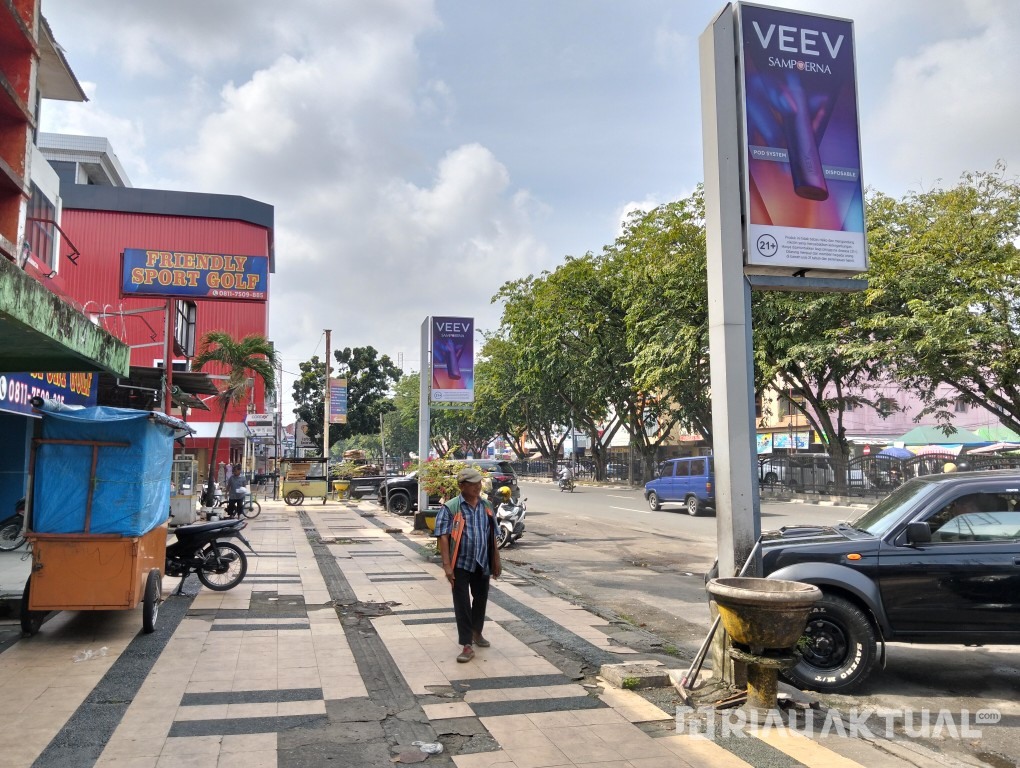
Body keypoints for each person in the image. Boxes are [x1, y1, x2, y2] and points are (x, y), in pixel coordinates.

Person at [434, 466, 501, 663]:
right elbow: (443, 537)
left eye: (479, 483)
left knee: (480, 599)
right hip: (460, 564)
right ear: (462, 486)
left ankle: (476, 632)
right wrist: (447, 566)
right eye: (473, 484)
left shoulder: (486, 506)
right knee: (462, 603)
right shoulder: (451, 507)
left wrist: (496, 559)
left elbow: (492, 535)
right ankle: (466, 644)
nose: (477, 487)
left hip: (482, 561)